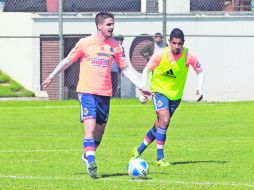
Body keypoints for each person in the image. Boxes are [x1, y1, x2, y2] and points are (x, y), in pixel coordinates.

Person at [42, 12, 151, 179]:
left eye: (113, 24)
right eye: (108, 24)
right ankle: (92, 163)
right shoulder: (85, 43)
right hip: (86, 92)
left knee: (99, 133)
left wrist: (141, 86)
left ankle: (87, 155)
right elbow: (68, 60)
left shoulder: (115, 45)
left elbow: (126, 68)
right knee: (90, 128)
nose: (112, 27)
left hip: (105, 94)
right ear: (99, 26)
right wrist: (51, 75)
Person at [132, 28, 204, 167]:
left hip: (175, 96)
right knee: (164, 119)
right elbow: (147, 69)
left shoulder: (189, 55)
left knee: (160, 125)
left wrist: (200, 89)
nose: (177, 46)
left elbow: (200, 72)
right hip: (159, 91)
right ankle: (160, 158)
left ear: (183, 43)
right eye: (174, 43)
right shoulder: (160, 54)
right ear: (169, 42)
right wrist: (143, 88)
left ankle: (138, 149)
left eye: (180, 43)